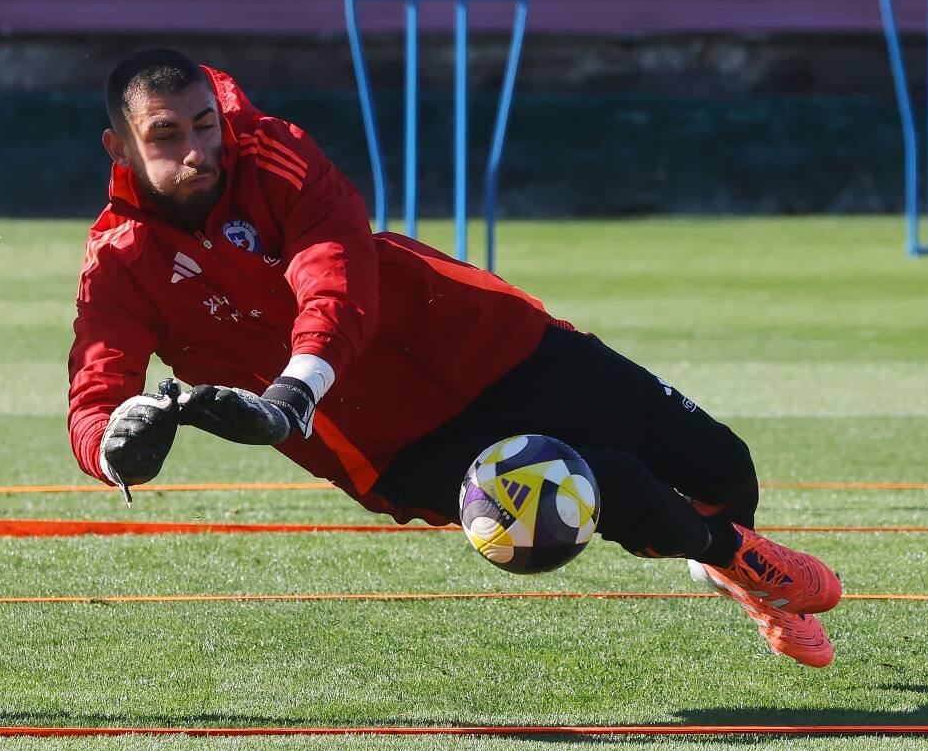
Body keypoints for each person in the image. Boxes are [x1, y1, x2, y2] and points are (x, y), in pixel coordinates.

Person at [68, 48, 842, 668]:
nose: (198, 151)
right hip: (395, 444)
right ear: (121, 148)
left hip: (484, 338)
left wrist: (293, 392)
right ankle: (731, 557)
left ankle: (727, 561)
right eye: (166, 136)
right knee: (611, 481)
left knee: (721, 465)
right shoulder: (119, 262)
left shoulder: (280, 156)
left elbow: (333, 284)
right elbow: (96, 389)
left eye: (204, 125)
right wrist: (116, 449)